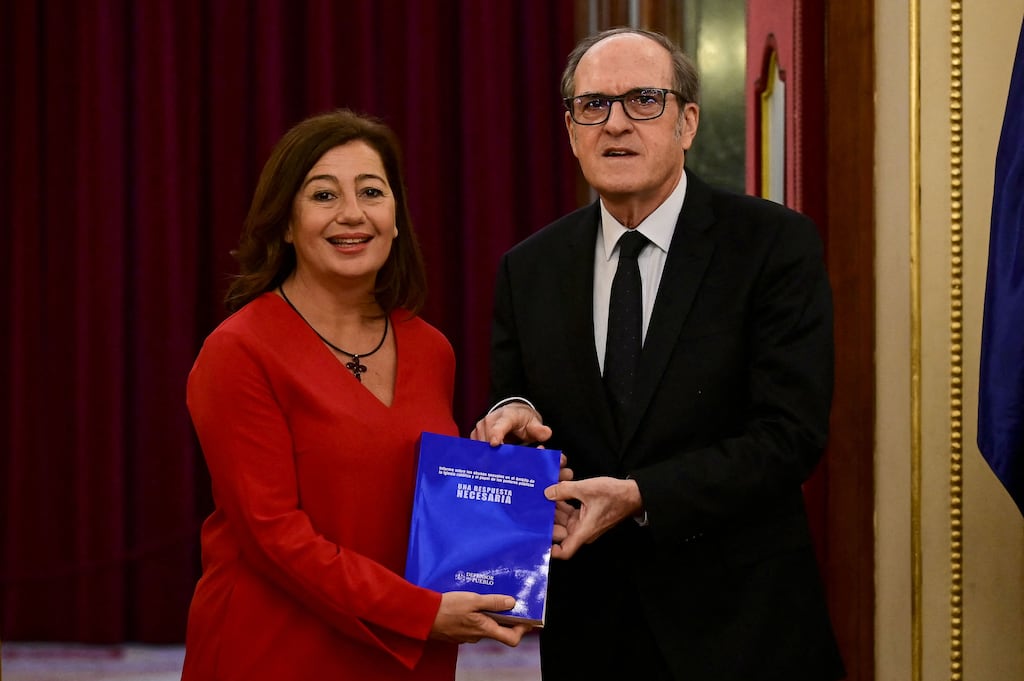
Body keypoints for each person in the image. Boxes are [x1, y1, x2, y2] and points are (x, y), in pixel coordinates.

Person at [472, 28, 846, 681]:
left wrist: (643, 494)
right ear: (570, 130)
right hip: (590, 634)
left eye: (643, 100)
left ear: (688, 122)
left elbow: (790, 435)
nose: (616, 123)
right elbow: (518, 397)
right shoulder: (527, 268)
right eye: (593, 106)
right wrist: (510, 413)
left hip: (741, 629)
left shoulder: (771, 245)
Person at [182, 109, 531, 681]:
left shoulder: (430, 348)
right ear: (286, 224)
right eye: (323, 195)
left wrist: (504, 483)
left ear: (395, 218)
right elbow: (275, 537)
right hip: (276, 653)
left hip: (406, 655)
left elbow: (405, 492)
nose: (352, 214)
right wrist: (421, 612)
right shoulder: (238, 351)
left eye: (372, 191)